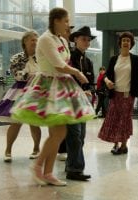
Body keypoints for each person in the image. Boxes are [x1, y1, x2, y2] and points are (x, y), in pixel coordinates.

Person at [10, 8, 95, 186]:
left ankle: (46, 171)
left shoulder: (61, 39)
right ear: (56, 20)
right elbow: (58, 65)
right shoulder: (46, 39)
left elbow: (63, 62)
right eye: (65, 21)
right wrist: (78, 73)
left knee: (59, 132)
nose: (67, 25)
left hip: (61, 85)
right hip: (49, 86)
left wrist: (74, 73)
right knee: (58, 132)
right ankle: (40, 167)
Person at [98, 31, 138, 155]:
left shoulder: (135, 59)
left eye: (128, 41)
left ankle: (123, 145)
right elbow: (105, 74)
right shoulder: (114, 59)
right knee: (114, 118)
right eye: (124, 40)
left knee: (125, 119)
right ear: (120, 43)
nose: (126, 42)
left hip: (128, 95)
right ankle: (115, 144)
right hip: (115, 94)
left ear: (131, 44)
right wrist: (107, 81)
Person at [0, 30, 42, 162]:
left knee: (34, 122)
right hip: (20, 92)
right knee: (15, 122)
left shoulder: (42, 57)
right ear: (25, 42)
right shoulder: (17, 58)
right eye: (32, 40)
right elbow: (17, 75)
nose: (35, 42)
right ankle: (8, 151)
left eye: (37, 40)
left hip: (36, 92)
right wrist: (35, 75)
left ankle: (36, 149)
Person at [64, 26, 96, 181]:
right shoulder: (68, 57)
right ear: (75, 39)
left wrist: (89, 91)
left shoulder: (88, 62)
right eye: (84, 39)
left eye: (89, 40)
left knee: (81, 135)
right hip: (70, 100)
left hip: (84, 102)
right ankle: (74, 169)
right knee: (75, 135)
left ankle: (71, 165)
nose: (87, 42)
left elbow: (91, 83)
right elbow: (65, 78)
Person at [57, 25, 75, 162]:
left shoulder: (68, 46)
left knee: (65, 123)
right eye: (67, 30)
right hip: (57, 85)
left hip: (67, 85)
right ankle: (61, 149)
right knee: (60, 122)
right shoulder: (53, 43)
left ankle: (64, 149)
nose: (69, 33)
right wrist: (77, 73)